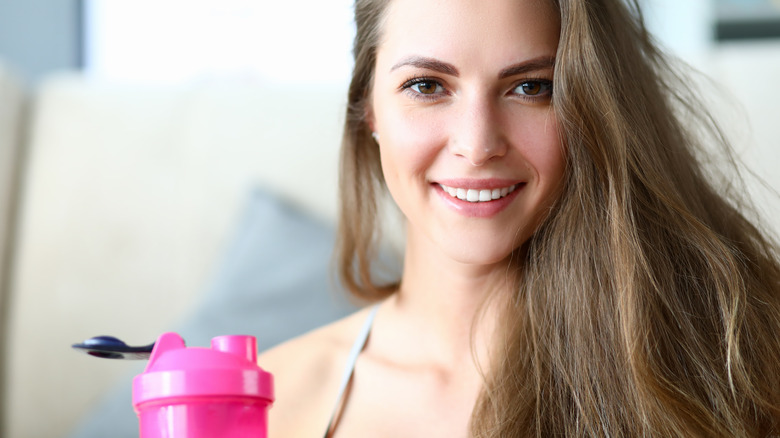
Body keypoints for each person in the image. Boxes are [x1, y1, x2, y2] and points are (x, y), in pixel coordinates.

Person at [259, 0, 780, 436]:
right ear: (370, 108)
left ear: (594, 108)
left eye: (531, 87)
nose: (477, 144)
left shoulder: (731, 358)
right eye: (426, 86)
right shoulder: (272, 395)